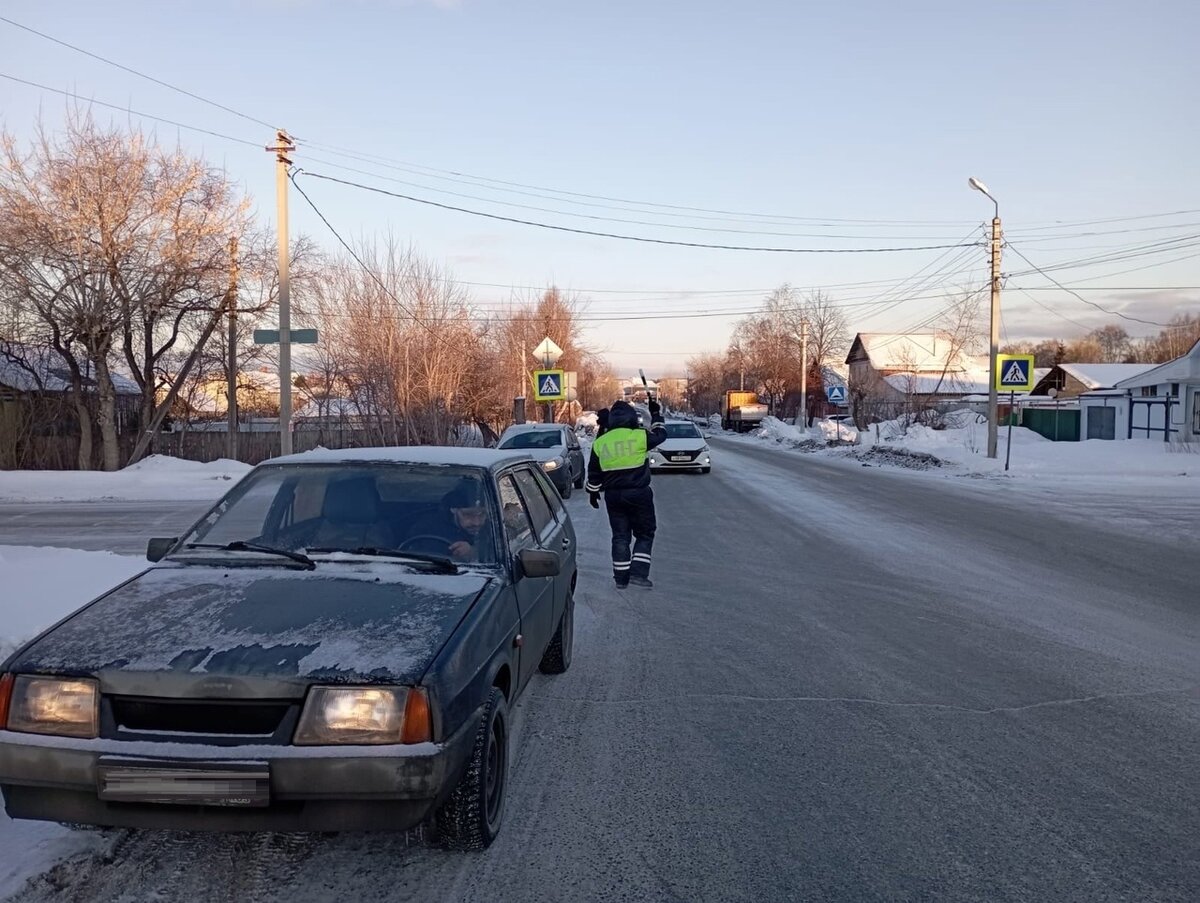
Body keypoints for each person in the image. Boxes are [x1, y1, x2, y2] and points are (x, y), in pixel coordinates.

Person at [586, 398, 667, 589]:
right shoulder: (639, 436)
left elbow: (594, 472)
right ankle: (638, 574)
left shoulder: (601, 442)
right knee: (645, 533)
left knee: (620, 536)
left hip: (613, 497)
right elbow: (661, 435)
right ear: (632, 418)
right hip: (639, 494)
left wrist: (593, 492)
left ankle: (621, 579)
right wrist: (656, 415)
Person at [409, 479, 496, 563]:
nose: (476, 522)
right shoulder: (427, 528)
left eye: (482, 514)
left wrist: (475, 552)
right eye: (468, 514)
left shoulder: (496, 526)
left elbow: (503, 551)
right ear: (453, 510)